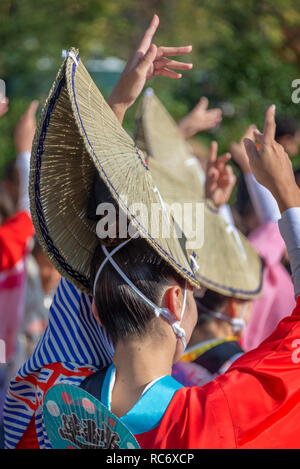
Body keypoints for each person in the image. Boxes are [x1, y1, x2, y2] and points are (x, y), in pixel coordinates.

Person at [231, 125, 296, 351]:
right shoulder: (269, 268)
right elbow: (274, 220)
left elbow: (273, 220)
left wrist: (248, 166)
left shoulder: (263, 264)